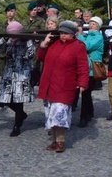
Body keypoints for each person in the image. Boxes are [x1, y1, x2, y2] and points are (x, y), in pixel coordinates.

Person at [37, 20, 89, 153]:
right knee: (50, 114)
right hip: (49, 84)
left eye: (66, 33)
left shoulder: (78, 46)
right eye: (61, 33)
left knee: (59, 114)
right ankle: (55, 140)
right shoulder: (54, 44)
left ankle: (61, 141)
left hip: (65, 86)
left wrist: (83, 83)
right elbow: (40, 57)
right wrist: (44, 44)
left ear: (72, 34)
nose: (63, 36)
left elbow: (83, 66)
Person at [0, 21, 36, 137]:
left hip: (21, 73)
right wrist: (4, 38)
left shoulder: (26, 41)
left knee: (18, 100)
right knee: (2, 99)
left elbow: (31, 53)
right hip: (9, 72)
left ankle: (17, 126)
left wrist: (23, 56)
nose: (13, 37)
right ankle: (21, 114)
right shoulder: (8, 41)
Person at [78, 15, 104, 127]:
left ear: (98, 26)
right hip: (86, 67)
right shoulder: (88, 35)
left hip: (93, 68)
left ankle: (84, 117)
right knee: (86, 93)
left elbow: (86, 46)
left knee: (85, 92)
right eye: (90, 23)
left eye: (94, 24)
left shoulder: (98, 37)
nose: (91, 25)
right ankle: (89, 112)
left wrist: (79, 35)